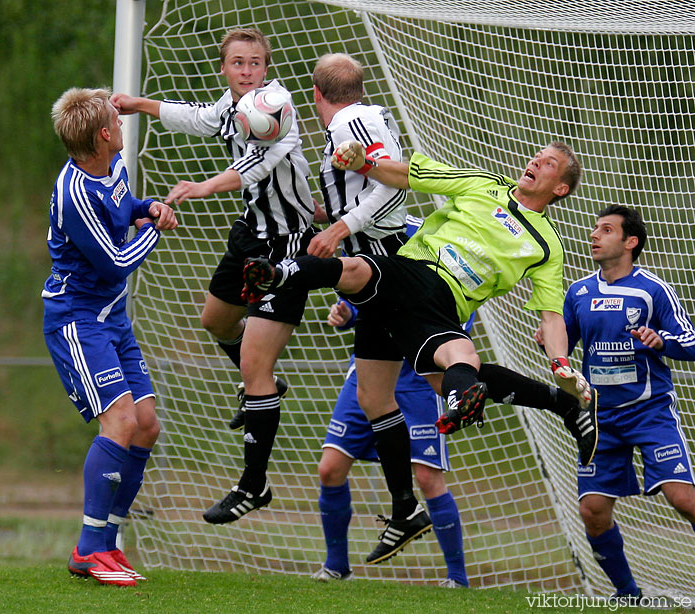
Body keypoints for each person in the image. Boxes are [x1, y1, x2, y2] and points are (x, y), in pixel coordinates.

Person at [241, 141, 599, 563]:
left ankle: (547, 405)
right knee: (375, 366)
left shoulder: (547, 247)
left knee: (445, 363)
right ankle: (279, 273)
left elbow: (552, 315)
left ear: (559, 188)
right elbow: (412, 174)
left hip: (443, 299)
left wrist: (560, 363)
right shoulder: (484, 185)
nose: (535, 163)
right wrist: (366, 164)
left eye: (549, 164)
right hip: (413, 269)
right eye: (536, 157)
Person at [111, 28, 317, 523]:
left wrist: (201, 186)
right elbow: (198, 117)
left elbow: (253, 167)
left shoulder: (276, 109)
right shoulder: (230, 104)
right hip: (251, 234)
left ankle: (254, 484)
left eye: (255, 63)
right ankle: (260, 380)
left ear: (266, 68)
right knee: (216, 321)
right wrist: (137, 103)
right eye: (238, 63)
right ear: (224, 68)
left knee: (254, 366)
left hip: (288, 243)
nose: (247, 71)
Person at [228, 52, 408, 431]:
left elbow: (393, 185)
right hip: (374, 252)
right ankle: (404, 496)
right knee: (376, 398)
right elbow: (370, 185)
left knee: (436, 365)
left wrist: (338, 229)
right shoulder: (358, 119)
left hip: (381, 252)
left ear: (315, 94)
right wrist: (327, 215)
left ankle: (275, 274)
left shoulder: (351, 122)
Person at [43, 87, 178, 586]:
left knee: (145, 425)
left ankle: (107, 544)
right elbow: (116, 262)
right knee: (119, 420)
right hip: (77, 319)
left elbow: (124, 211)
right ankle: (87, 547)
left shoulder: (112, 164)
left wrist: (150, 207)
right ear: (103, 134)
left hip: (111, 317)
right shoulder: (74, 193)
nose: (121, 122)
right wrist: (158, 228)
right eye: (115, 120)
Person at [557, 205, 695, 602]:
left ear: (630, 242)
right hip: (599, 418)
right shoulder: (579, 291)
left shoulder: (652, 290)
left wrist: (662, 341)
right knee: (593, 511)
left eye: (606, 230)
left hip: (649, 412)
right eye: (594, 229)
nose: (594, 236)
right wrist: (551, 343)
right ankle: (628, 595)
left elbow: (690, 341)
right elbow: (562, 342)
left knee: (684, 499)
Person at [312, 298, 470, 585]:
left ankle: (457, 578)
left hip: (419, 382)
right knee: (330, 468)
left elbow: (452, 325)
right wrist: (348, 313)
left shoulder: (447, 265)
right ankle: (336, 566)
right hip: (367, 375)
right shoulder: (380, 254)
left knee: (426, 476)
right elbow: (365, 299)